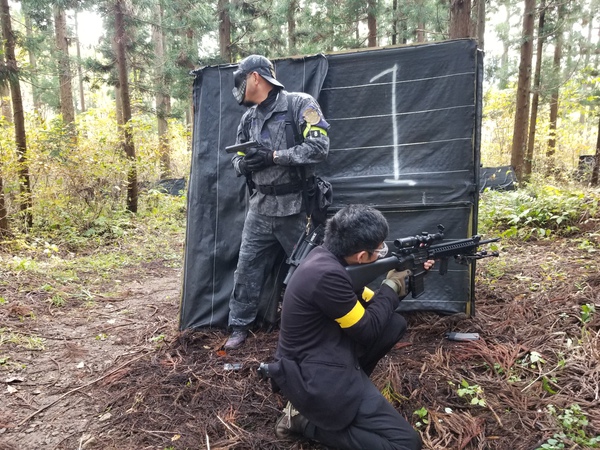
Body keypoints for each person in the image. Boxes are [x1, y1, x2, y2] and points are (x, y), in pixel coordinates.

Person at [268, 204, 432, 450]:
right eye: (379, 249)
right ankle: (303, 422)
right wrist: (390, 286)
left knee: (393, 324)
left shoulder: (325, 258)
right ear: (361, 257)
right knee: (406, 444)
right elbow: (367, 329)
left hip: (323, 352)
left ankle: (344, 398)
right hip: (313, 376)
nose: (381, 254)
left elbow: (371, 302)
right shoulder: (327, 276)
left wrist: (404, 279)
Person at [224, 55, 330, 350]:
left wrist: (273, 156)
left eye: (242, 79)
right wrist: (245, 165)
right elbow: (236, 159)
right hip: (259, 209)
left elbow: (319, 147)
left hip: (296, 209)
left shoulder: (300, 104)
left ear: (255, 78)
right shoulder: (249, 118)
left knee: (311, 272)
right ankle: (239, 325)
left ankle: (322, 326)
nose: (240, 86)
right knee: (246, 269)